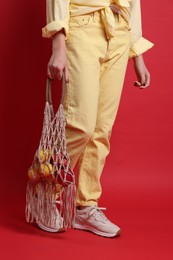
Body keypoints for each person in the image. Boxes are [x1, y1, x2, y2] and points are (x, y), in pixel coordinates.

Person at [39, 0, 153, 238]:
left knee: (102, 129)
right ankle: (45, 194)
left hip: (120, 32)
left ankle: (86, 205)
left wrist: (137, 55)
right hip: (82, 27)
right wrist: (58, 46)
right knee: (81, 125)